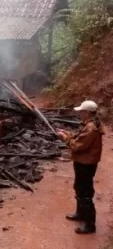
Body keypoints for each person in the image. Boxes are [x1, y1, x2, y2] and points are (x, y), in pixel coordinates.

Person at [57, 100, 104, 234]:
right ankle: (81, 213)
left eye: (81, 112)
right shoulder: (90, 124)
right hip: (83, 162)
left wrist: (64, 138)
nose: (79, 114)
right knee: (79, 187)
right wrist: (66, 133)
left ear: (87, 113)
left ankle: (90, 224)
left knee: (85, 192)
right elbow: (79, 138)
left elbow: (78, 146)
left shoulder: (91, 128)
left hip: (86, 163)